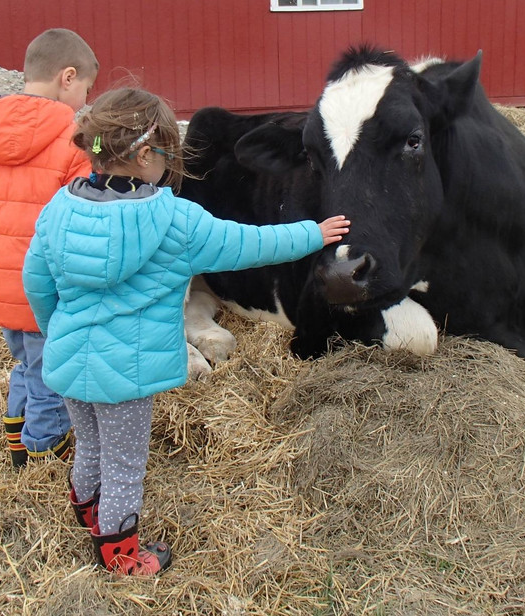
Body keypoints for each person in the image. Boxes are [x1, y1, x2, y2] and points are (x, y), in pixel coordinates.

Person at [22, 87, 350, 576]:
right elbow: (249, 244)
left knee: (89, 446)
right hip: (126, 379)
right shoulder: (174, 219)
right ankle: (121, 552)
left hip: (69, 363)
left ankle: (85, 511)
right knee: (125, 464)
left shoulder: (59, 209)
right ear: (146, 155)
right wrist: (313, 233)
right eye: (168, 153)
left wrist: (58, 335)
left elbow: (36, 282)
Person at [0, 28, 100, 468]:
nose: (84, 102)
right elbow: (84, 214)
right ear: (67, 77)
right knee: (52, 373)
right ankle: (40, 454)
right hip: (48, 289)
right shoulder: (75, 138)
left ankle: (18, 438)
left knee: (27, 363)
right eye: (86, 90)